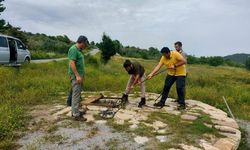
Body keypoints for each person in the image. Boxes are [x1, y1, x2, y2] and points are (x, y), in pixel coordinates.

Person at [68, 35, 89, 121]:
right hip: (76, 77)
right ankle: (76, 114)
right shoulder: (73, 49)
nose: (86, 46)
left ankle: (76, 110)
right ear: (82, 42)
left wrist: (82, 75)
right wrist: (77, 75)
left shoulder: (79, 50)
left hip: (80, 76)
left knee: (78, 94)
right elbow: (72, 63)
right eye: (85, 44)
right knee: (76, 95)